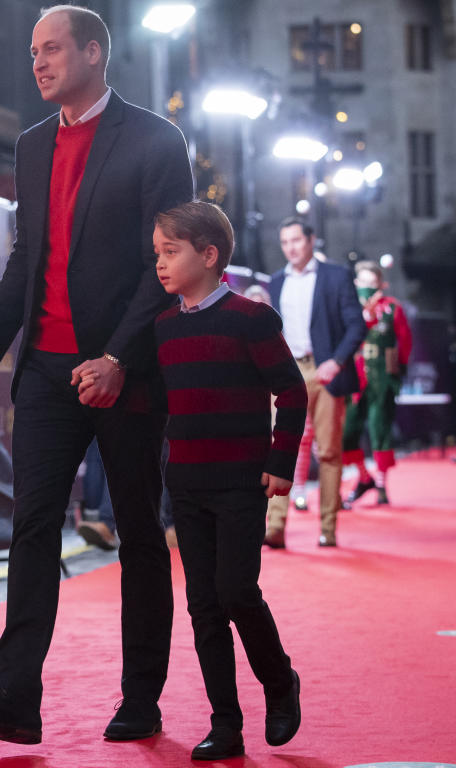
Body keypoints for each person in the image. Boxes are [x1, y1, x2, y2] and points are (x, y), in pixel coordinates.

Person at [0, 5, 194, 745]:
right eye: (32, 52)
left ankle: (140, 697)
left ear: (93, 52)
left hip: (126, 370)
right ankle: (16, 695)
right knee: (32, 527)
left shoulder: (155, 138)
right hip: (46, 373)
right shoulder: (29, 145)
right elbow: (28, 258)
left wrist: (118, 356)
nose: (38, 63)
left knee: (141, 531)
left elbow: (166, 263)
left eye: (51, 49)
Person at [153, 201, 305, 759]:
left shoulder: (251, 318)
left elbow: (291, 391)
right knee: (202, 605)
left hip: (242, 481)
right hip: (187, 484)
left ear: (209, 255)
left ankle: (279, 680)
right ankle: (225, 721)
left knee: (237, 590)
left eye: (171, 252)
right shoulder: (164, 328)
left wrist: (279, 463)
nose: (161, 265)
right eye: (157, 255)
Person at [264, 218, 366, 548]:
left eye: (296, 240)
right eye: (285, 242)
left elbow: (356, 326)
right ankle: (275, 527)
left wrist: (335, 362)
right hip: (287, 372)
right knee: (280, 449)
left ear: (312, 240)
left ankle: (328, 527)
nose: (291, 248)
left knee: (330, 451)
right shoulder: (276, 281)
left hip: (325, 372)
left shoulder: (335, 276)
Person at [342, 260, 412, 506]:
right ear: (355, 283)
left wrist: (398, 373)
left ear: (382, 284)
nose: (367, 287)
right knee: (347, 431)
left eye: (372, 283)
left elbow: (404, 341)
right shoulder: (348, 308)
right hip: (354, 374)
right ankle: (364, 477)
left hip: (382, 374)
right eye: (363, 282)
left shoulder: (392, 308)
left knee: (380, 429)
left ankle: (381, 485)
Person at [247, 283, 313, 511]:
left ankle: (295, 496)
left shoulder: (275, 338)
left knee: (294, 440)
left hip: (279, 390)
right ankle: (275, 519)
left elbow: (292, 390)